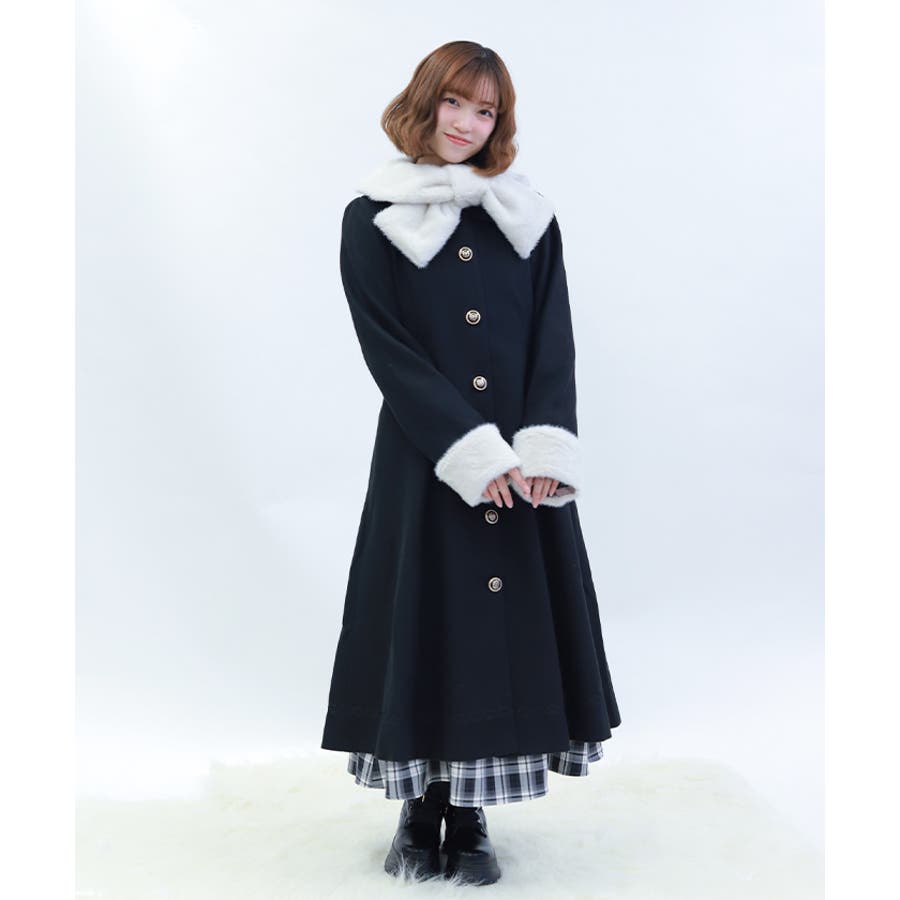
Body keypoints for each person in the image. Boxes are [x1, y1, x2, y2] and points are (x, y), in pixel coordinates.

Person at [321, 40, 622, 885]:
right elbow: (389, 351)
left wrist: (544, 445)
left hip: (521, 468)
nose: (466, 123)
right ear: (424, 102)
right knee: (427, 621)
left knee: (498, 632)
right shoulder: (372, 218)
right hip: (425, 461)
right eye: (454, 102)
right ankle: (420, 812)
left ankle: (472, 812)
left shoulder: (529, 218)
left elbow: (553, 340)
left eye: (485, 110)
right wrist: (466, 449)